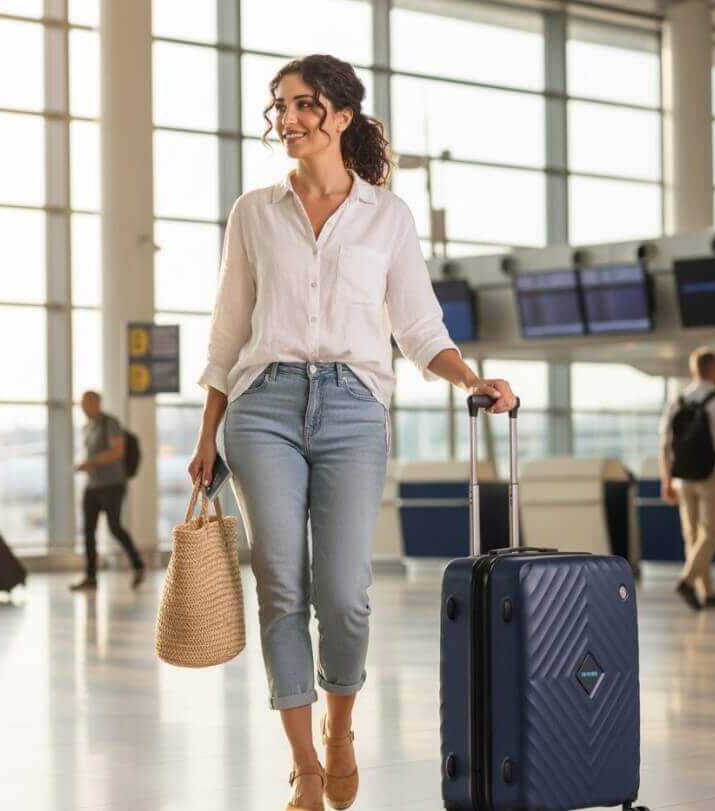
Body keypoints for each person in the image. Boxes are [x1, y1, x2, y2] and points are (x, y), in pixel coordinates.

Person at [187, 55, 517, 811]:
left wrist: (471, 378)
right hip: (261, 406)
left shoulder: (386, 216)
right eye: (281, 106)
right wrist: (208, 432)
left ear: (341, 116)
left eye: (305, 104)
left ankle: (338, 727)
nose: (289, 118)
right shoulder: (253, 212)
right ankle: (304, 764)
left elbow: (419, 327)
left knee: (343, 594)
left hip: (352, 408)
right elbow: (227, 332)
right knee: (281, 584)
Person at [659, 346, 715, 611]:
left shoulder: (678, 400)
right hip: (710, 477)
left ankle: (707, 591)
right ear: (714, 369)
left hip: (681, 477)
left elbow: (664, 444)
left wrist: (666, 479)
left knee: (692, 535)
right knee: (711, 533)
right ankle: (687, 581)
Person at [72, 391, 145, 591]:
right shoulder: (88, 427)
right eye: (82, 404)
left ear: (96, 403)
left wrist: (91, 462)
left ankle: (138, 565)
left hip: (112, 485)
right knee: (88, 531)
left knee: (115, 527)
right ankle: (90, 577)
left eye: (86, 403)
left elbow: (117, 451)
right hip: (92, 486)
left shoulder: (110, 423)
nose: (83, 407)